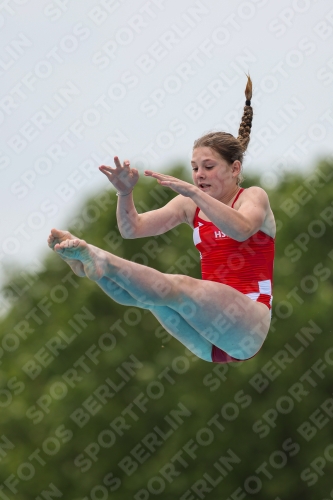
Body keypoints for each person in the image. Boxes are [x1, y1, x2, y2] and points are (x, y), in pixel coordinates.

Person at [48, 76, 275, 364]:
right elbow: (132, 230)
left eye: (208, 166)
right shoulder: (189, 204)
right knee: (149, 297)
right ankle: (91, 265)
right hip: (209, 343)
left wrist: (193, 192)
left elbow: (242, 230)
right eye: (194, 168)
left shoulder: (252, 197)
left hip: (248, 324)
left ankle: (99, 258)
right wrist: (125, 194)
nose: (199, 174)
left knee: (177, 285)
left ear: (234, 168)